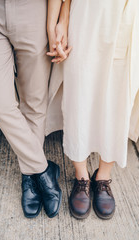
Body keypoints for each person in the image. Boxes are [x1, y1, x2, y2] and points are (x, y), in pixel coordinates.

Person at [46, 0, 139, 220]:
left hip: (127, 13)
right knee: (78, 94)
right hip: (86, 11)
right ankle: (81, 177)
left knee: (118, 98)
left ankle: (103, 177)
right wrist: (63, 18)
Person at [0, 0, 67, 219]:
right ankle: (43, 170)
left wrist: (56, 22)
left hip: (34, 9)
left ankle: (29, 176)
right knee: (0, 106)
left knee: (34, 103)